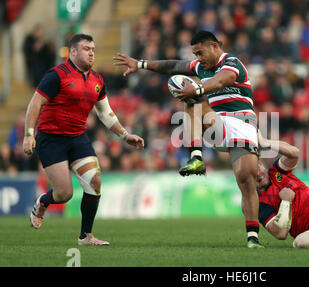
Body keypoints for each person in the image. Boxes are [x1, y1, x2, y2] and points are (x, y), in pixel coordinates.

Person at [113, 30, 263, 248]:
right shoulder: (200, 67)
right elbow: (173, 66)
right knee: (191, 100)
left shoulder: (231, 62)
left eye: (200, 53)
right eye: (195, 54)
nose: (198, 59)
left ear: (213, 46)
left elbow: (222, 81)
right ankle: (196, 157)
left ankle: (253, 238)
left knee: (247, 181)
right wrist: (141, 64)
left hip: (243, 125)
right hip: (218, 124)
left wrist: (199, 87)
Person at [23, 34, 145, 246]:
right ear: (72, 52)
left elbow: (105, 113)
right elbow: (35, 103)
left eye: (93, 49)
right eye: (86, 48)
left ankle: (86, 237)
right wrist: (28, 135)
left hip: (78, 138)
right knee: (64, 193)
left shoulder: (97, 79)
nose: (91, 53)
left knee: (95, 182)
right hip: (51, 138)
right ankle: (42, 202)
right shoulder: (57, 75)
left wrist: (125, 135)